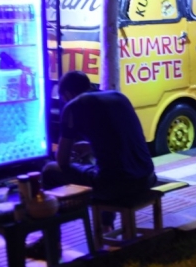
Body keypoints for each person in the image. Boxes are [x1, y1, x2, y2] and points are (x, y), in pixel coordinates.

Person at [27, 71, 156, 259]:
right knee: (101, 166)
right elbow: (122, 141)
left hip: (117, 186)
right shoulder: (118, 97)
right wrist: (89, 146)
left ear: (67, 94)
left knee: (49, 171)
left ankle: (50, 244)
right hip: (147, 177)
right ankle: (106, 224)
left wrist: (60, 151)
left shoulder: (73, 106)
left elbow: (62, 161)